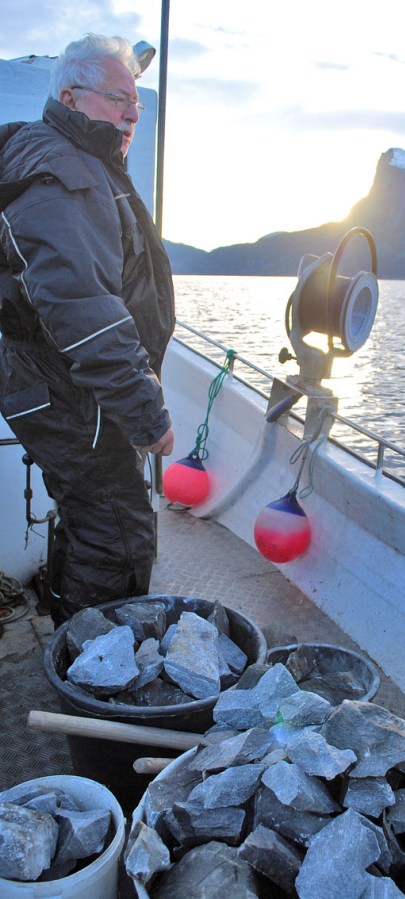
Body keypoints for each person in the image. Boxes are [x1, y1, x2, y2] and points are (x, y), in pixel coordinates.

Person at [0, 34, 175, 625]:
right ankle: (97, 678)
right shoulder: (65, 169)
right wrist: (146, 413)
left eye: (136, 103)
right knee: (118, 531)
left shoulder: (80, 158)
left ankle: (73, 633)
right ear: (72, 98)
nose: (131, 113)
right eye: (117, 98)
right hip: (65, 388)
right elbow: (81, 309)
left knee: (91, 512)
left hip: (56, 383)